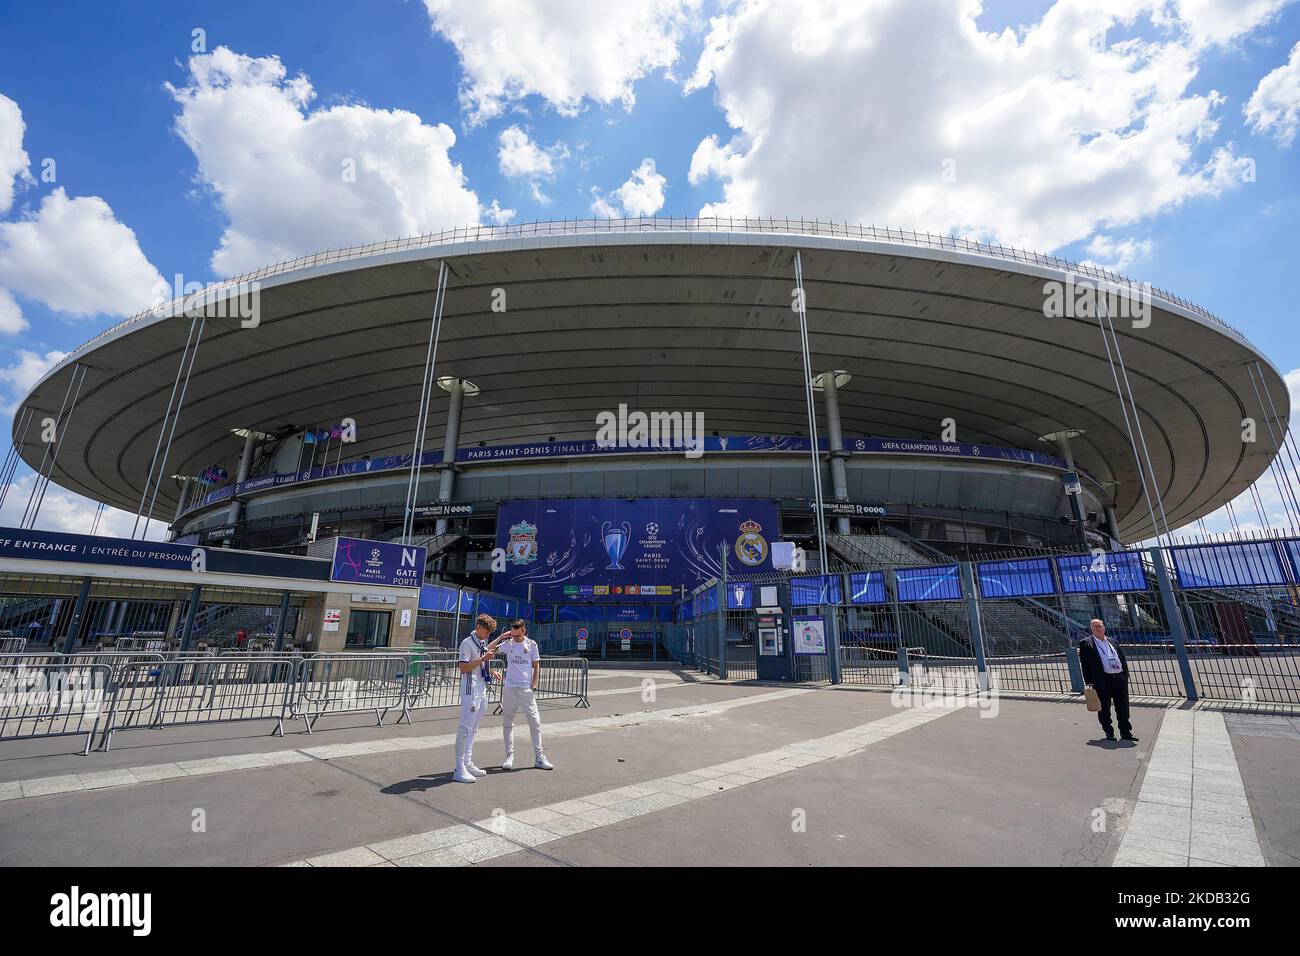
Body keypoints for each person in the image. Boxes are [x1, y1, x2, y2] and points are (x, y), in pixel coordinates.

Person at [453, 614, 507, 784]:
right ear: (479, 628)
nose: (488, 635)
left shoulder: (481, 642)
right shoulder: (467, 643)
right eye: (487, 631)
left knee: (473, 729)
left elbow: (484, 655)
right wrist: (483, 659)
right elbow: (463, 667)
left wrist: (491, 670)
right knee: (465, 728)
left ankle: (467, 763)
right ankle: (459, 768)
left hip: (481, 688)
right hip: (471, 689)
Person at [497, 619, 553, 771]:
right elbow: (489, 651)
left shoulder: (531, 644)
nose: (514, 638)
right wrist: (502, 637)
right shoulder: (508, 644)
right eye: (512, 635)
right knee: (508, 723)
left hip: (525, 689)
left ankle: (539, 757)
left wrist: (534, 683)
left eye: (517, 635)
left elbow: (536, 664)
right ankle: (509, 756)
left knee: (535, 722)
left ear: (523, 631)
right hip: (510, 688)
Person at [1078, 619, 1138, 743]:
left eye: (1099, 626)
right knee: (1104, 708)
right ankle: (1109, 732)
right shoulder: (1085, 643)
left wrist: (1125, 674)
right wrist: (1089, 681)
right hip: (1102, 679)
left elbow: (1122, 658)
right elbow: (1085, 664)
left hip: (1119, 678)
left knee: (1123, 707)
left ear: (1104, 628)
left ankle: (1126, 732)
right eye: (1094, 627)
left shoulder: (1113, 641)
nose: (1097, 629)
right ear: (1091, 629)